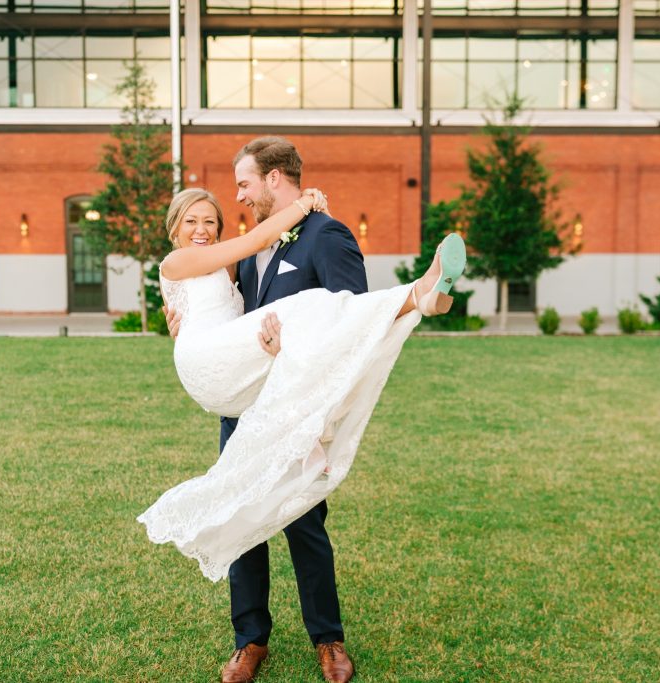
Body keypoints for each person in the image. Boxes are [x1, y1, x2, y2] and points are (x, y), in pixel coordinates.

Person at [138, 138, 465, 683]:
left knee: (304, 522)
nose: (237, 198)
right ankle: (249, 641)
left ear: (273, 179)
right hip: (245, 401)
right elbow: (227, 317)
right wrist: (185, 325)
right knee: (242, 512)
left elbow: (348, 320)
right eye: (196, 218)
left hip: (297, 406)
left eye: (244, 184)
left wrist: (309, 391)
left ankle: (328, 639)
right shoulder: (244, 251)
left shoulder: (326, 234)